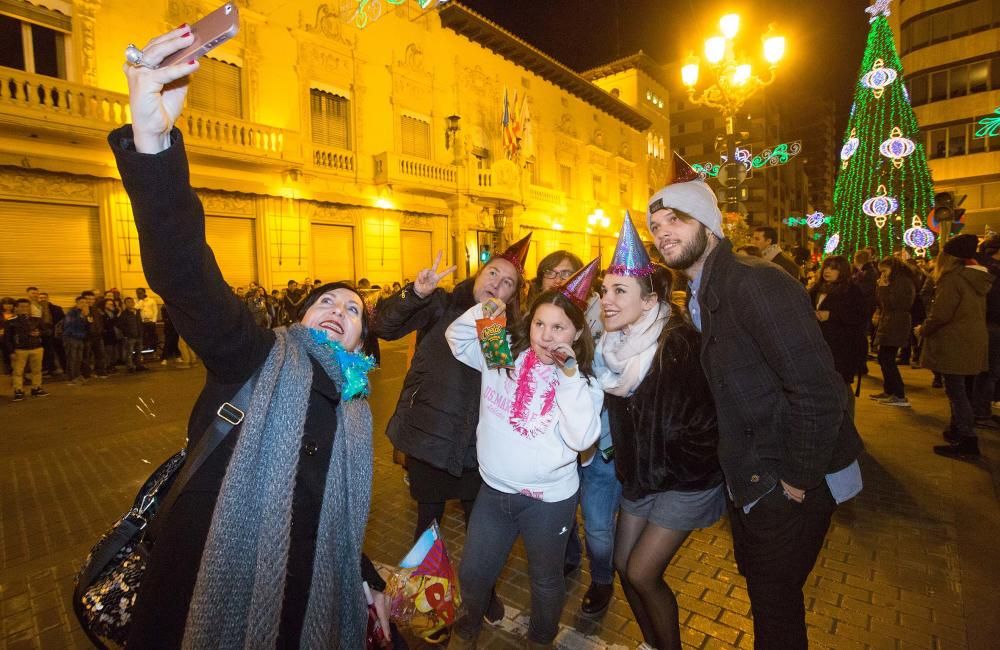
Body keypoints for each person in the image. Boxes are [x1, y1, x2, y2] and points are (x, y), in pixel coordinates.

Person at [113, 29, 390, 647]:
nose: (339, 308)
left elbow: (330, 513)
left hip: (304, 603)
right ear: (301, 315)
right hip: (203, 593)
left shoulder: (356, 409)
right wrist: (153, 141)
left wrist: (363, 574)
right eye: (326, 299)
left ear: (360, 342)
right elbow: (182, 266)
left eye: (352, 309)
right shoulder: (256, 355)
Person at [645, 153, 863, 649]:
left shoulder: (754, 282)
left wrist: (794, 481)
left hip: (785, 476)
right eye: (656, 226)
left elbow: (818, 392)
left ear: (708, 223)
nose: (663, 233)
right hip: (754, 474)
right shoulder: (702, 291)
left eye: (675, 219)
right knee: (770, 595)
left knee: (774, 602)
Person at [445, 260, 604, 649]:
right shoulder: (503, 355)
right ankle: (469, 622)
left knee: (546, 579)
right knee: (474, 572)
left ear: (577, 332)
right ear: (529, 323)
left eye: (559, 327)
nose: (547, 336)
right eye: (539, 324)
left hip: (548, 501)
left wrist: (567, 377)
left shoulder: (583, 382)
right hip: (495, 491)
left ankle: (540, 639)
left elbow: (583, 437)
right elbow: (458, 338)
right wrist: (485, 312)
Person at [374, 239, 530, 636]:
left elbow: (501, 383)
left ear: (513, 295)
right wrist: (416, 293)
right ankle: (423, 607)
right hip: (431, 436)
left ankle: (485, 593)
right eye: (492, 272)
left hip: (478, 447)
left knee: (483, 528)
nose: (497, 283)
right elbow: (385, 327)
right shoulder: (440, 305)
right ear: (479, 274)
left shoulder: (503, 329)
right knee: (427, 524)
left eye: (509, 282)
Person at [597, 216, 723, 650]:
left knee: (642, 571)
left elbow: (710, 420)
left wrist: (682, 460)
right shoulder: (611, 347)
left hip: (685, 480)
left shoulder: (678, 343)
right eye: (604, 291)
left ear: (649, 301)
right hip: (640, 478)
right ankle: (652, 642)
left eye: (619, 291)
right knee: (620, 563)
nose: (606, 301)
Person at [530, 250, 618, 616]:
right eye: (552, 273)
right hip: (553, 448)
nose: (560, 280)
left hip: (599, 445)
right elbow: (499, 362)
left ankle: (602, 579)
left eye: (568, 273)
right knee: (559, 518)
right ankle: (570, 556)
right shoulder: (536, 326)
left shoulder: (608, 318)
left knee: (598, 526)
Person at [917, 234, 993, 459]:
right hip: (973, 340)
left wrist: (923, 329)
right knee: (964, 391)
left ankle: (967, 440)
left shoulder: (952, 279)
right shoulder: (976, 278)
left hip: (955, 342)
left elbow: (941, 314)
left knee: (956, 392)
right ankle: (958, 431)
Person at [808, 255, 868, 420]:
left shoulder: (852, 291)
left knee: (841, 386)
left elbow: (860, 317)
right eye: (826, 267)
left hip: (843, 347)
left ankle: (847, 428)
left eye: (833, 268)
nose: (828, 271)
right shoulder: (816, 289)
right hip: (819, 345)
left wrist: (832, 315)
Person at [870, 257, 917, 407]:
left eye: (884, 271)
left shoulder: (902, 282)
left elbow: (893, 303)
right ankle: (889, 391)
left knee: (887, 358)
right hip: (891, 320)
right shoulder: (898, 281)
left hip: (896, 322)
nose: (882, 274)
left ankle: (898, 394)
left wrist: (883, 287)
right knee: (884, 357)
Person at [973, 235, 1000, 428]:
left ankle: (981, 410)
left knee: (988, 371)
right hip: (990, 324)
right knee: (988, 371)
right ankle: (981, 412)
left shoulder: (984, 268)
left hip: (989, 323)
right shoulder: (991, 271)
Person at [6, 299, 48, 401]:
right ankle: (18, 390)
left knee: (37, 370)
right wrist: (11, 351)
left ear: (30, 307)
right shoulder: (11, 322)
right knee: (18, 372)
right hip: (20, 349)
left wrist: (39, 333)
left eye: (26, 306)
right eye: (21, 306)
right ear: (16, 308)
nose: (24, 308)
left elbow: (47, 331)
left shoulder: (37, 319)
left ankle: (36, 388)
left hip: (37, 348)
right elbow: (7, 339)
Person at [62, 296, 91, 384]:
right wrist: (82, 316)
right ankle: (71, 378)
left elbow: (87, 326)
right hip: (71, 338)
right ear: (77, 303)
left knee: (79, 359)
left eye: (86, 302)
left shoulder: (85, 313)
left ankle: (77, 375)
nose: (84, 304)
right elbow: (70, 325)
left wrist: (87, 319)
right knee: (72, 358)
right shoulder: (72, 313)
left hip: (80, 338)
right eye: (82, 302)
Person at [118, 296, 146, 372]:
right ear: (125, 304)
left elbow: (140, 322)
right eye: (128, 302)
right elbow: (120, 325)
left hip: (139, 335)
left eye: (131, 302)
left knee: (139, 351)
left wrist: (141, 331)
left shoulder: (137, 312)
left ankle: (139, 365)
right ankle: (130, 366)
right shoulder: (124, 314)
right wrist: (126, 332)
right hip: (130, 336)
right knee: (129, 352)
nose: (130, 303)